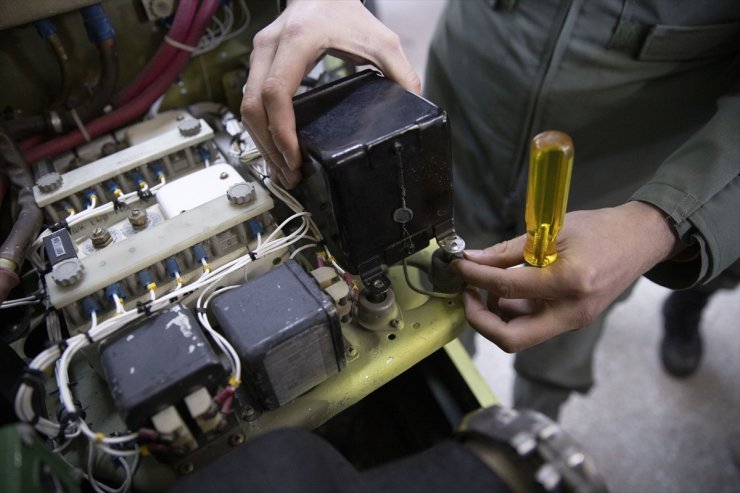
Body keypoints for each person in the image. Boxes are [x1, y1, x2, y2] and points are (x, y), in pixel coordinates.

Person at [240, 0, 740, 418]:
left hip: (621, 170)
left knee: (561, 329)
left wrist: (664, 220)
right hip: (464, 119)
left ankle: (536, 423)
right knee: (436, 309)